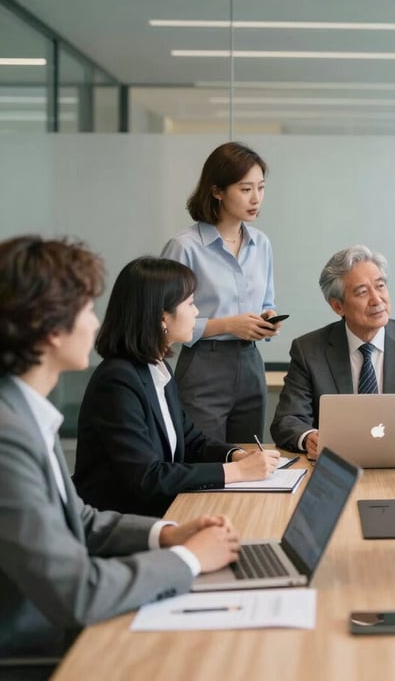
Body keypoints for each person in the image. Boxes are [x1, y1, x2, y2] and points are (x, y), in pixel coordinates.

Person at [0, 236, 240, 661]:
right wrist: (188, 559)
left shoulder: (25, 414)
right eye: (87, 310)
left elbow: (80, 519)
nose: (95, 324)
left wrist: (167, 534)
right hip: (40, 645)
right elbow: (78, 592)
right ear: (52, 328)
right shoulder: (9, 435)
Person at [73, 257, 280, 518]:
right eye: (191, 304)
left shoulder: (156, 368)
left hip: (159, 512)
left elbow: (191, 439)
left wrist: (236, 455)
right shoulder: (117, 381)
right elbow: (145, 476)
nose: (196, 312)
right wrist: (237, 473)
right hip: (122, 525)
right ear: (163, 317)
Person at [270, 245, 395, 458]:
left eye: (380, 286)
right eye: (362, 292)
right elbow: (286, 420)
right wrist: (308, 438)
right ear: (338, 306)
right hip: (335, 466)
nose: (377, 299)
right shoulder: (309, 350)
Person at [161, 141, 283, 443]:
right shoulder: (185, 247)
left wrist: (268, 319)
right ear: (217, 191)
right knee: (204, 459)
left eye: (261, 188)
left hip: (251, 364)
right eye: (245, 189)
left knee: (249, 456)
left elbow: (267, 301)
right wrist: (229, 325)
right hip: (204, 364)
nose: (256, 199)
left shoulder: (261, 244)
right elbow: (162, 320)